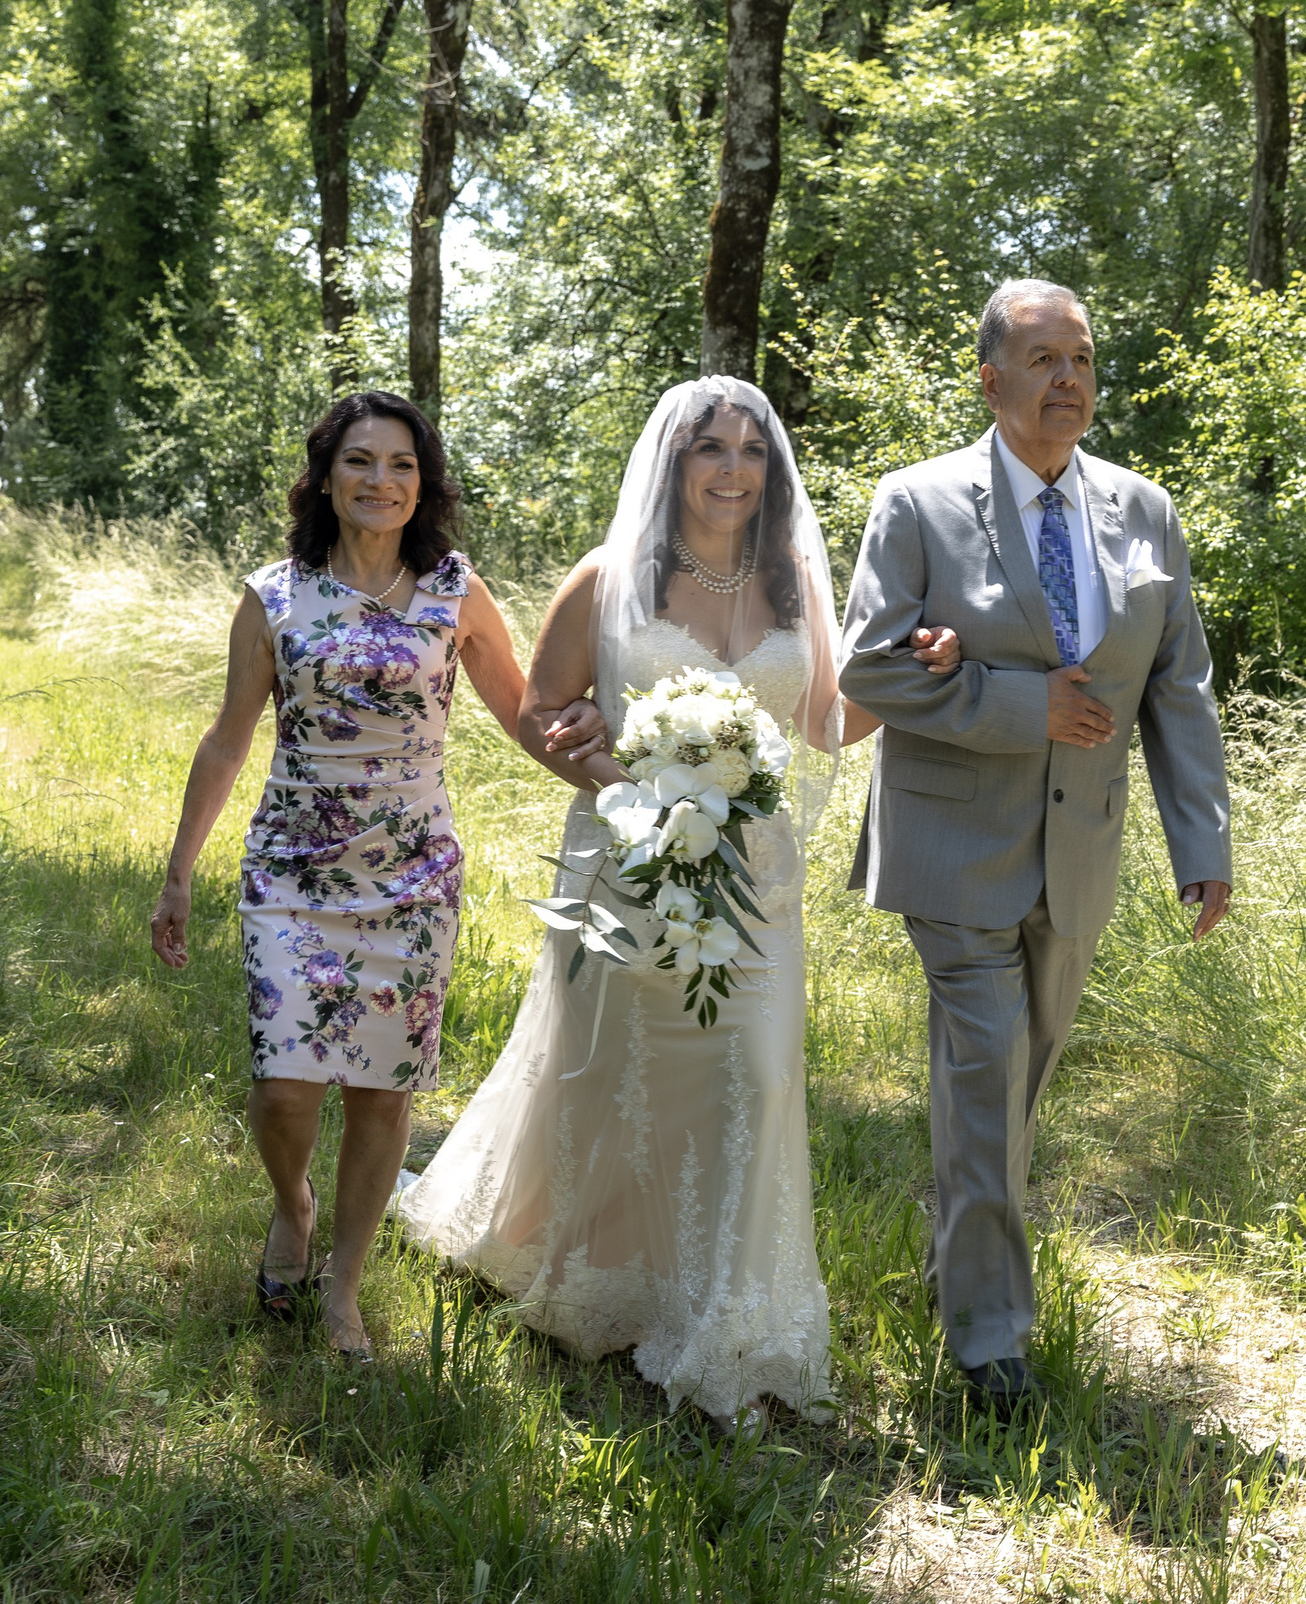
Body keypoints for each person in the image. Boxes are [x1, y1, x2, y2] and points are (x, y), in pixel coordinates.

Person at [395, 376, 959, 1425]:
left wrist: (921, 667)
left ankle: (734, 1317)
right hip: (628, 869)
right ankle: (595, 1269)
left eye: (752, 452)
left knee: (752, 1071)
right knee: (611, 1074)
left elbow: (832, 726)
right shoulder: (608, 579)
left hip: (755, 883)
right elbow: (541, 711)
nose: (733, 471)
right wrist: (600, 771)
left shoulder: (796, 583)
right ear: (674, 463)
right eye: (711, 451)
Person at [838, 280, 1233, 1415]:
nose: (1069, 378)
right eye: (1043, 357)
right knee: (986, 1071)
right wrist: (1020, 706)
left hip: (1082, 851)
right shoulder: (915, 502)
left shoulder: (1143, 510)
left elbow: (1179, 683)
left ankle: (956, 1269)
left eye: (1084, 358)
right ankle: (989, 1341)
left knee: (1016, 1090)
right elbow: (868, 669)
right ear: (990, 378)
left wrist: (1198, 839)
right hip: (954, 843)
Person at [149, 389, 603, 1359]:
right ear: (326, 477)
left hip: (411, 880)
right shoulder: (273, 595)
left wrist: (630, 782)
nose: (381, 481)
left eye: (401, 465)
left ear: (423, 484)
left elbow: (527, 711)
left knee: (382, 1094)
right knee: (283, 1088)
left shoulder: (454, 592)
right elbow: (229, 737)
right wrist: (179, 872)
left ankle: (343, 1285)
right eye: (361, 461)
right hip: (291, 872)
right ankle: (292, 1206)